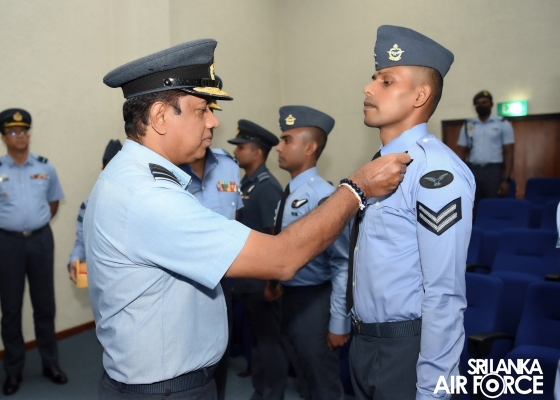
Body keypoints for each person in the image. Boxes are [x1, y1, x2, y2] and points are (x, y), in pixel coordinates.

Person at [88, 38, 409, 399]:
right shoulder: (148, 196)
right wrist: (357, 187)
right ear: (161, 116)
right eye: (202, 109)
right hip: (164, 391)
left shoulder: (130, 177)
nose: (213, 120)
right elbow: (282, 259)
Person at [347, 26, 475, 400]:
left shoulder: (436, 172)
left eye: (386, 81)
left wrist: (434, 389)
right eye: (373, 78)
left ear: (420, 95)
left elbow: (444, 293)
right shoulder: (376, 166)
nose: (368, 88)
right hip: (364, 344)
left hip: (407, 350)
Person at [275, 105, 350, 400]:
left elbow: (342, 262)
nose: (278, 147)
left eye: (286, 140)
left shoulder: (323, 197)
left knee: (323, 385)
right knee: (305, 381)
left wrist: (339, 322)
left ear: (310, 148)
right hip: (289, 299)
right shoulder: (288, 194)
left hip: (315, 303)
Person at [0, 108, 67, 396]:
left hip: (40, 241)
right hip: (7, 244)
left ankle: (50, 364)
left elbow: (53, 204)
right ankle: (13, 371)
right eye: (14, 131)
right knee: (11, 309)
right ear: (4, 137)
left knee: (45, 306)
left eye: (24, 131)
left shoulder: (45, 167)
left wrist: (34, 225)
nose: (20, 136)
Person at [179, 100, 243, 400]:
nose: (211, 122)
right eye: (202, 112)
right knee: (184, 366)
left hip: (221, 280)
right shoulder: (167, 170)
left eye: (212, 112)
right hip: (180, 285)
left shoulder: (229, 165)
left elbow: (236, 216)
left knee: (220, 356)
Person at [227, 120, 287, 400]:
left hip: (261, 282)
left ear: (257, 152)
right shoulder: (244, 184)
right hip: (246, 280)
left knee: (269, 344)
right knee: (258, 342)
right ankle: (261, 391)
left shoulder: (266, 187)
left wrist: (272, 284)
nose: (236, 151)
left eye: (242, 147)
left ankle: (272, 394)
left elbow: (276, 239)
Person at [68, 139, 122, 283]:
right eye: (109, 169)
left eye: (118, 169)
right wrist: (75, 260)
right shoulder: (88, 205)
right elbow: (82, 241)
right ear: (102, 170)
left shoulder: (138, 204)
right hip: (100, 279)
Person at [456, 90, 515, 211]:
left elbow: (509, 153)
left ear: (491, 104)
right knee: (471, 206)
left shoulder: (502, 123)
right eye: (478, 103)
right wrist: (458, 175)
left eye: (484, 102)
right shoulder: (468, 125)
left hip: (493, 171)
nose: (481, 105)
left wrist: (507, 179)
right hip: (473, 170)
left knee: (492, 205)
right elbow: (461, 151)